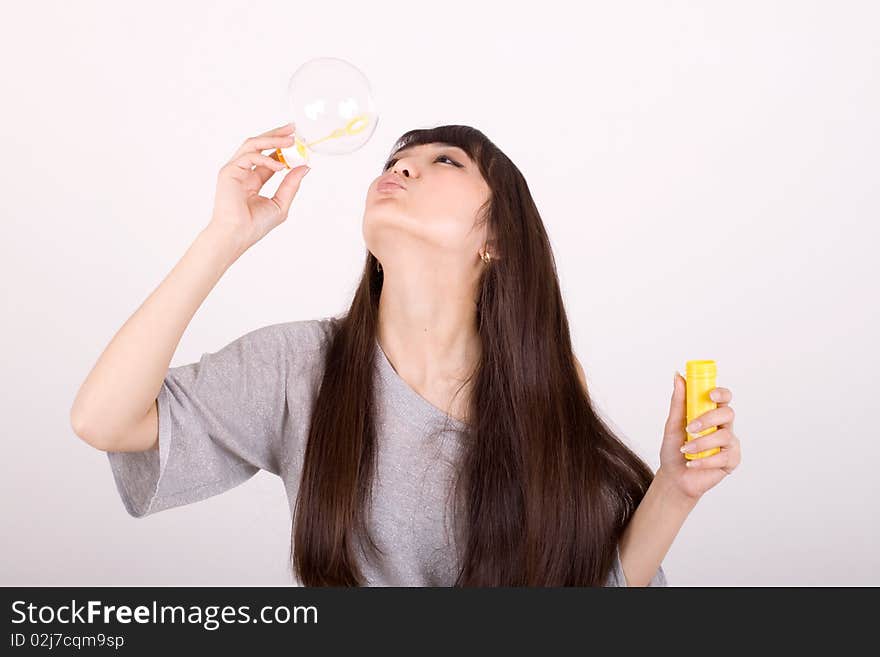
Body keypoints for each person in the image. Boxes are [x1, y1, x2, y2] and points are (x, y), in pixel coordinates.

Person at [71, 122, 740, 586]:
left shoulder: (543, 395)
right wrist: (225, 234)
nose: (402, 167)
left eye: (444, 160)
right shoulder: (298, 368)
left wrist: (675, 490)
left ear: (498, 239)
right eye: (394, 162)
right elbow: (103, 419)